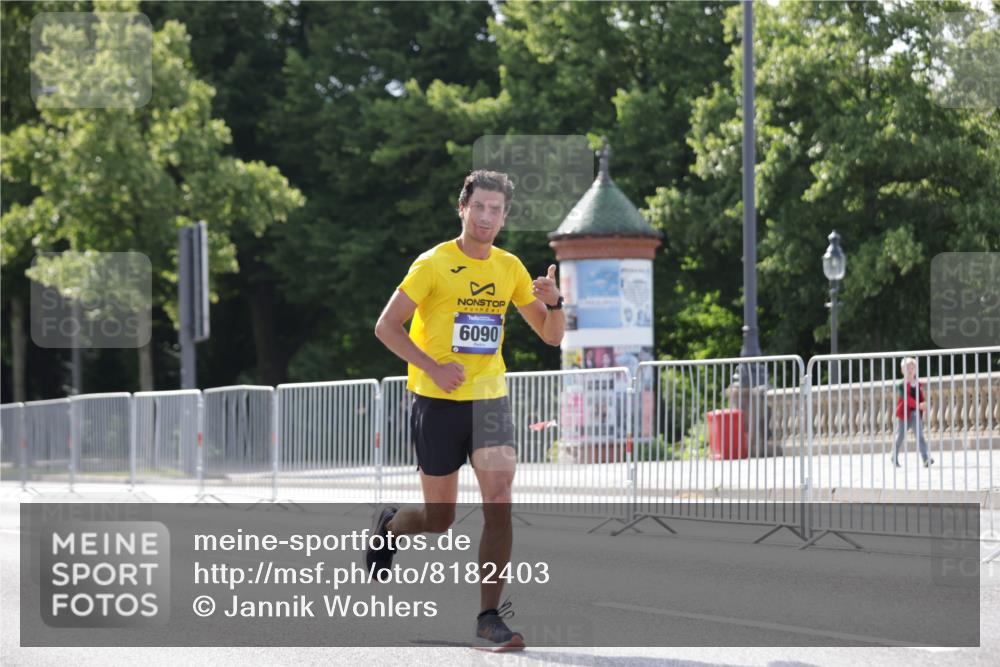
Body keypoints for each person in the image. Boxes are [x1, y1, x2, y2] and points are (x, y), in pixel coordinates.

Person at [372, 169, 565, 651]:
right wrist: (432, 368)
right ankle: (391, 525)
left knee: (499, 500)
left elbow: (551, 335)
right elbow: (387, 327)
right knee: (440, 519)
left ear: (504, 217)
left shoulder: (510, 268)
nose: (486, 217)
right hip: (436, 402)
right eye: (478, 207)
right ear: (463, 208)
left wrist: (556, 302)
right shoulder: (432, 264)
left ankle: (488, 617)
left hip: (489, 399)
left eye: (495, 210)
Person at [892, 357, 934, 468]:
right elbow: (906, 399)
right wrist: (918, 405)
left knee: (920, 437)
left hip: (915, 415)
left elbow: (921, 397)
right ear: (902, 370)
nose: (910, 370)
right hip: (903, 416)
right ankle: (894, 456)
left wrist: (923, 403)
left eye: (912, 367)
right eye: (907, 368)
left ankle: (926, 459)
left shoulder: (919, 384)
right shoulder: (901, 384)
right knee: (900, 437)